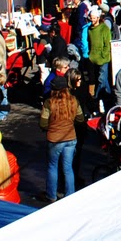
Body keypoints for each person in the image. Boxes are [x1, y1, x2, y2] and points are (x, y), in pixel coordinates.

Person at [43, 57, 81, 202]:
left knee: (52, 166)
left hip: (55, 138)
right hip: (70, 137)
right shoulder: (73, 100)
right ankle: (70, 194)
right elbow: (80, 118)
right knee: (68, 168)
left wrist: (49, 127)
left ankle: (51, 195)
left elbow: (43, 122)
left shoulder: (49, 102)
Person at [85, 7, 113, 107]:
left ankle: (98, 96)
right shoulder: (90, 29)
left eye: (93, 18)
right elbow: (89, 42)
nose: (92, 20)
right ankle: (108, 96)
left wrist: (104, 55)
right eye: (91, 18)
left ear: (98, 18)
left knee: (102, 79)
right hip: (93, 57)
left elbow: (107, 44)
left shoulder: (104, 28)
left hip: (103, 58)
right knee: (101, 79)